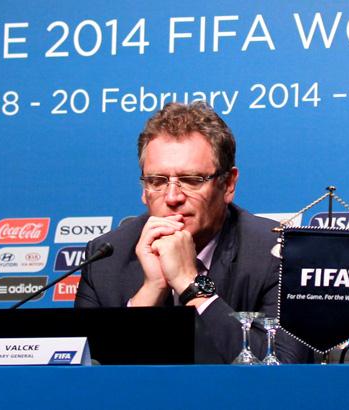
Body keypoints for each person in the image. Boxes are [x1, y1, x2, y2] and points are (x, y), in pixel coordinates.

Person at [75, 101, 311, 363]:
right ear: (144, 189)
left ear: (228, 184)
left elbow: (284, 366)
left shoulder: (279, 253)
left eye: (191, 180)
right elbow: (87, 375)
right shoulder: (105, 259)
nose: (172, 197)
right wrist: (151, 289)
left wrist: (190, 283)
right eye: (157, 181)